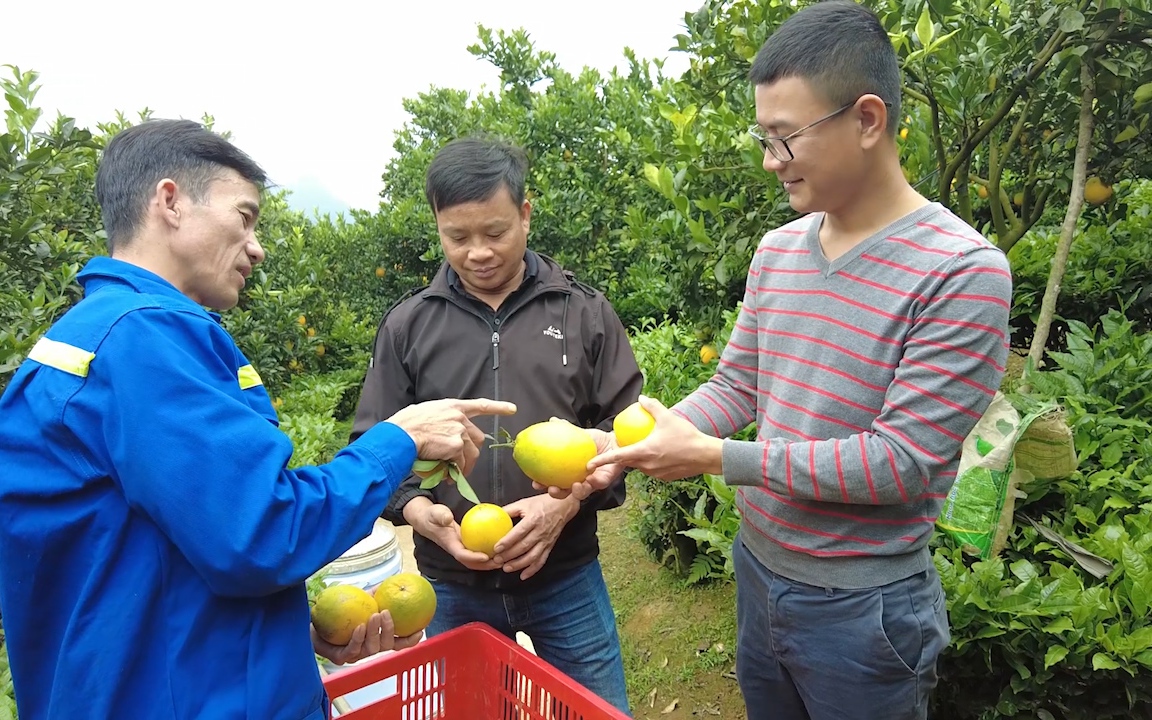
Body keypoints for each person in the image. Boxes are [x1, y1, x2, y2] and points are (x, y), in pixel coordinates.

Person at [571, 3, 1014, 719]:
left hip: (865, 609)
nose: (770, 161)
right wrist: (637, 439)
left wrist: (717, 458)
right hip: (758, 571)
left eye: (785, 139)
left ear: (868, 120)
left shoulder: (961, 270)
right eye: (764, 137)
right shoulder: (779, 251)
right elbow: (738, 383)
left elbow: (902, 462)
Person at [0, 119, 515, 720]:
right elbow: (263, 529)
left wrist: (295, 636)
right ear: (170, 202)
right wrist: (398, 439)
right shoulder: (140, 339)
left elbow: (169, 561)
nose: (257, 245)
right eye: (244, 217)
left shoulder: (100, 339)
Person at [349, 136, 643, 715]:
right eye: (457, 237)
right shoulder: (410, 325)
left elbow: (627, 428)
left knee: (595, 708)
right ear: (437, 225)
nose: (477, 252)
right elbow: (372, 443)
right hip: (453, 582)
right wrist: (416, 512)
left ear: (526, 214)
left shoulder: (581, 312)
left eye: (495, 232)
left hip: (565, 574)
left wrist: (567, 501)